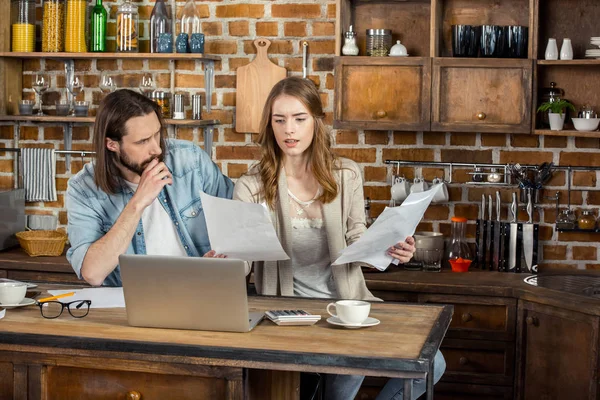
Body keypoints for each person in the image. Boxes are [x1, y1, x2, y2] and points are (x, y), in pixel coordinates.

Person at [233, 77, 445, 400]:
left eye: (299, 119)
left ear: (316, 123)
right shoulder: (251, 186)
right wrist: (227, 259)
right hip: (288, 316)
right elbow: (244, 258)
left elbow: (358, 238)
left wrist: (390, 249)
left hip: (348, 307)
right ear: (270, 125)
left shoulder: (346, 175)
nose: (289, 130)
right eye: (280, 120)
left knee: (434, 363)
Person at [66, 89, 233, 287]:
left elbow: (236, 221)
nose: (157, 149)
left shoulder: (191, 161)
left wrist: (221, 263)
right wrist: (138, 203)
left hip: (201, 291)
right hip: (132, 304)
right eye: (143, 141)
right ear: (112, 144)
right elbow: (93, 274)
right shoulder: (83, 189)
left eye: (156, 134)